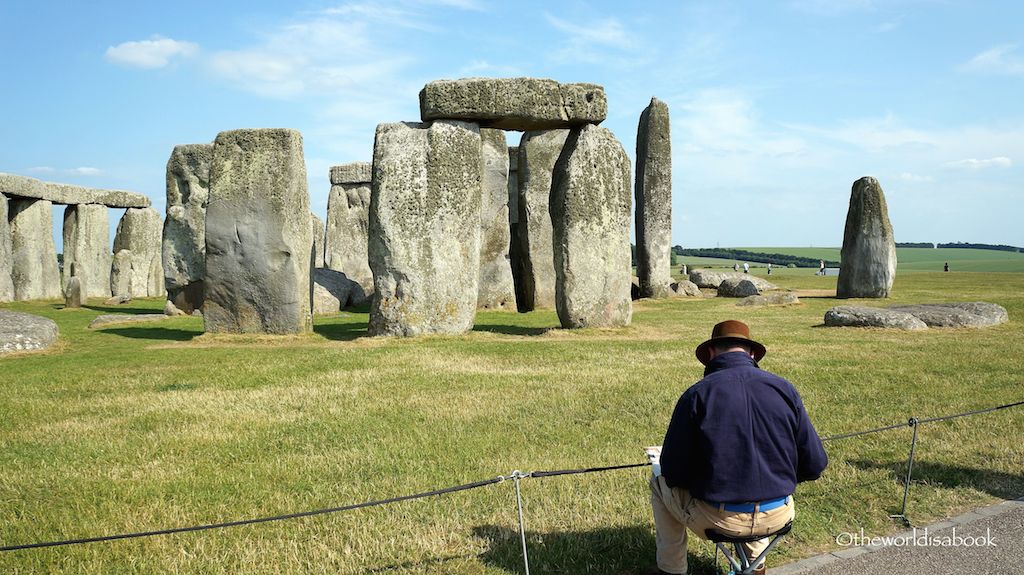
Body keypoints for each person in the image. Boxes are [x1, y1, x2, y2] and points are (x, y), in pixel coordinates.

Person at [649, 320, 828, 575]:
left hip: (719, 519)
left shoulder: (696, 395)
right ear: (752, 353)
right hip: (779, 514)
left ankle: (671, 569)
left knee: (658, 483)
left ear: (710, 354)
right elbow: (815, 465)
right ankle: (757, 567)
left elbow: (673, 472)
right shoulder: (785, 389)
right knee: (758, 488)